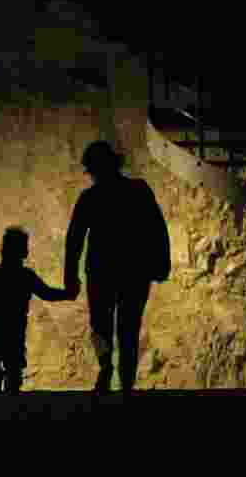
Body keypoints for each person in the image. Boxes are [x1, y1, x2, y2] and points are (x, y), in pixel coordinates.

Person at [64, 141, 170, 395]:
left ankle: (105, 368)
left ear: (92, 169)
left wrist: (71, 277)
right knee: (128, 330)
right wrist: (161, 263)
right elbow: (157, 229)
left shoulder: (90, 197)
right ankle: (126, 386)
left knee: (101, 327)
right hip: (134, 272)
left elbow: (74, 240)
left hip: (100, 272)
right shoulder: (138, 190)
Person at [0, 226, 75, 394]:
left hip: (2, 331)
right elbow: (47, 293)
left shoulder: (2, 274)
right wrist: (67, 294)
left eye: (8, 247)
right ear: (25, 252)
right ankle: (1, 386)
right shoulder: (17, 275)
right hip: (6, 332)